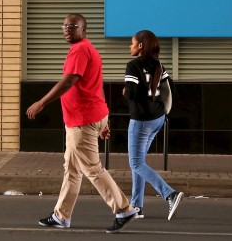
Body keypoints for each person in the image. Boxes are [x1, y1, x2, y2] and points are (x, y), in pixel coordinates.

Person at [26, 13, 138, 233]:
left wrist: (42, 102)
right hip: (89, 116)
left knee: (92, 168)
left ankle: (124, 208)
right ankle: (61, 216)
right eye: (64, 26)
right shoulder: (87, 49)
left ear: (83, 29)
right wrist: (103, 120)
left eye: (73, 26)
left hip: (82, 120)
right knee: (71, 168)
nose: (67, 29)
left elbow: (69, 81)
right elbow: (95, 85)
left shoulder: (80, 50)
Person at [122, 29, 184, 220]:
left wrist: (126, 91)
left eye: (132, 43)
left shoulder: (133, 65)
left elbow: (131, 93)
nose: (130, 46)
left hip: (141, 121)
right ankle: (136, 206)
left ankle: (170, 194)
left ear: (140, 45)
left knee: (136, 162)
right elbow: (170, 88)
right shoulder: (158, 64)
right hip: (157, 119)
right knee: (138, 162)